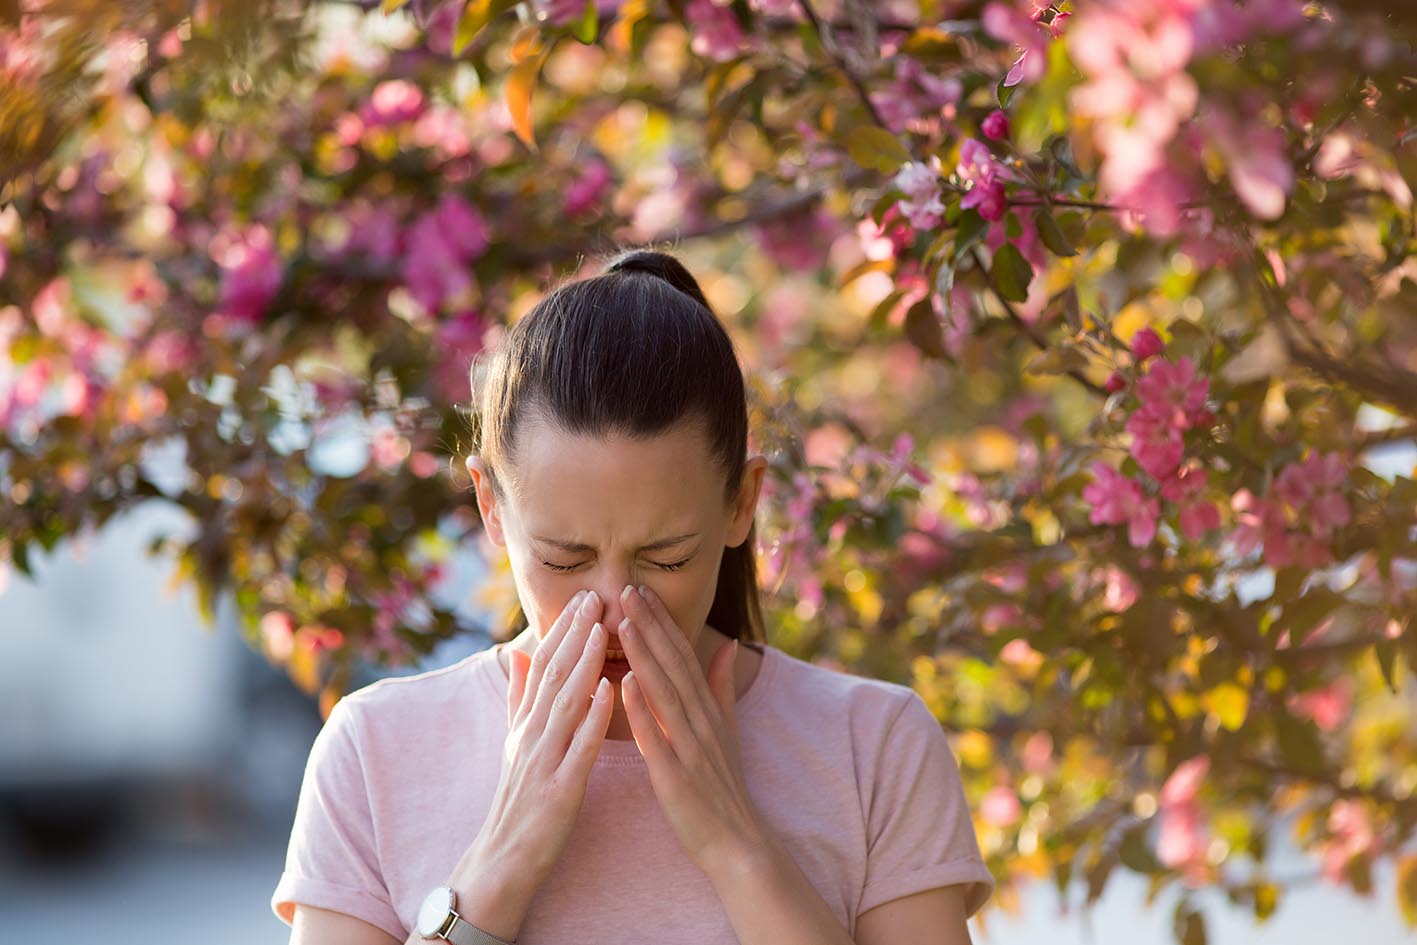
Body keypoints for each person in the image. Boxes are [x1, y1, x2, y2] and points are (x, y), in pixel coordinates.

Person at [272, 249, 994, 945]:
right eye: (565, 558)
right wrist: (498, 865)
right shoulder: (375, 749)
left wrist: (737, 847)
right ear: (492, 506)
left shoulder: (875, 745)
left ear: (741, 502)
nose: (615, 604)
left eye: (664, 556)